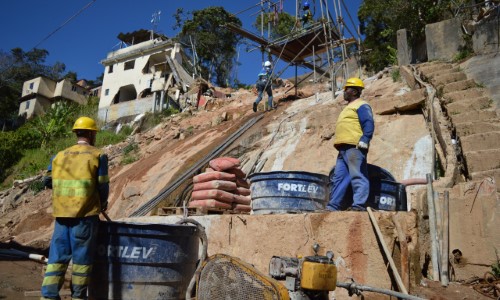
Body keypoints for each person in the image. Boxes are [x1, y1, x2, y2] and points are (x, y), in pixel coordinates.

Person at [41, 116, 109, 300]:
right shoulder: (98, 155)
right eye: (94, 133)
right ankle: (78, 297)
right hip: (85, 217)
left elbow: (47, 180)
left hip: (62, 215)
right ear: (90, 133)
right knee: (81, 262)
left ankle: (48, 296)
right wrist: (103, 203)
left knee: (56, 260)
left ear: (76, 133)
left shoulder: (59, 155)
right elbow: (102, 185)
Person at [326, 78, 374, 211]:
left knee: (358, 175)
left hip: (355, 147)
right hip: (342, 149)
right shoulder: (348, 108)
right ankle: (333, 206)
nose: (344, 92)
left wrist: (365, 139)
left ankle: (359, 205)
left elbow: (368, 123)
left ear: (354, 91)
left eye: (346, 89)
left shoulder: (362, 105)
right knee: (339, 178)